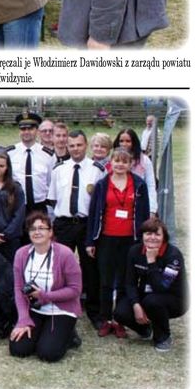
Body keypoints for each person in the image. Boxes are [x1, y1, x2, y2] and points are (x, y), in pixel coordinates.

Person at [87, 149, 151, 335]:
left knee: (124, 280)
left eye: (124, 161)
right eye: (117, 161)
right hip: (106, 238)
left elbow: (144, 214)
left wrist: (143, 240)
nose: (120, 165)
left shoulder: (139, 185)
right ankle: (105, 318)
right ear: (111, 163)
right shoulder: (101, 185)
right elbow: (93, 215)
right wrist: (90, 240)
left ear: (131, 164)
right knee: (105, 280)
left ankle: (119, 319)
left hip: (129, 239)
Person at [9, 212, 82, 362]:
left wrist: (45, 296)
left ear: (50, 232)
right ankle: (45, 333)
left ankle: (69, 335)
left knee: (48, 354)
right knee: (18, 349)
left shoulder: (65, 254)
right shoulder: (21, 254)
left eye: (42, 228)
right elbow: (18, 289)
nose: (37, 232)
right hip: (36, 309)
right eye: (32, 229)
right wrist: (23, 319)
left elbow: (75, 290)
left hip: (61, 310)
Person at [48, 130, 100, 328]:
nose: (75, 149)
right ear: (66, 147)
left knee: (90, 268)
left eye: (79, 145)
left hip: (86, 224)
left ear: (86, 145)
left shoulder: (96, 169)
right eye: (72, 145)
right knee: (60, 267)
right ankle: (61, 305)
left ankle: (94, 311)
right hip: (64, 223)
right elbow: (52, 198)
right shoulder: (59, 169)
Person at [115, 218, 188, 352]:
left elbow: (161, 287)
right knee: (120, 312)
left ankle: (163, 337)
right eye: (148, 233)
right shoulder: (135, 251)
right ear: (142, 235)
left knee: (152, 301)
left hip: (174, 299)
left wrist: (151, 261)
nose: (152, 237)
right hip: (147, 295)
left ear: (164, 237)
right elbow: (130, 283)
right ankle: (144, 329)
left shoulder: (174, 255)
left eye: (157, 234)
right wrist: (136, 305)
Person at [7, 112, 54, 211]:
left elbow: (51, 182)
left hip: (40, 205)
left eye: (30, 128)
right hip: (17, 205)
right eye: (23, 129)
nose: (26, 132)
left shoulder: (48, 155)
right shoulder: (10, 153)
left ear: (37, 130)